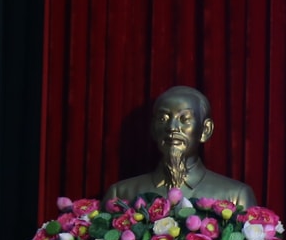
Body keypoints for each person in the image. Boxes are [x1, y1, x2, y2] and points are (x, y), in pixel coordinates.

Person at [103, 85, 258, 207]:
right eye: (163, 119)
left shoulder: (235, 196)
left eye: (185, 119)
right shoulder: (121, 194)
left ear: (205, 130)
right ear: (153, 129)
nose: (172, 128)